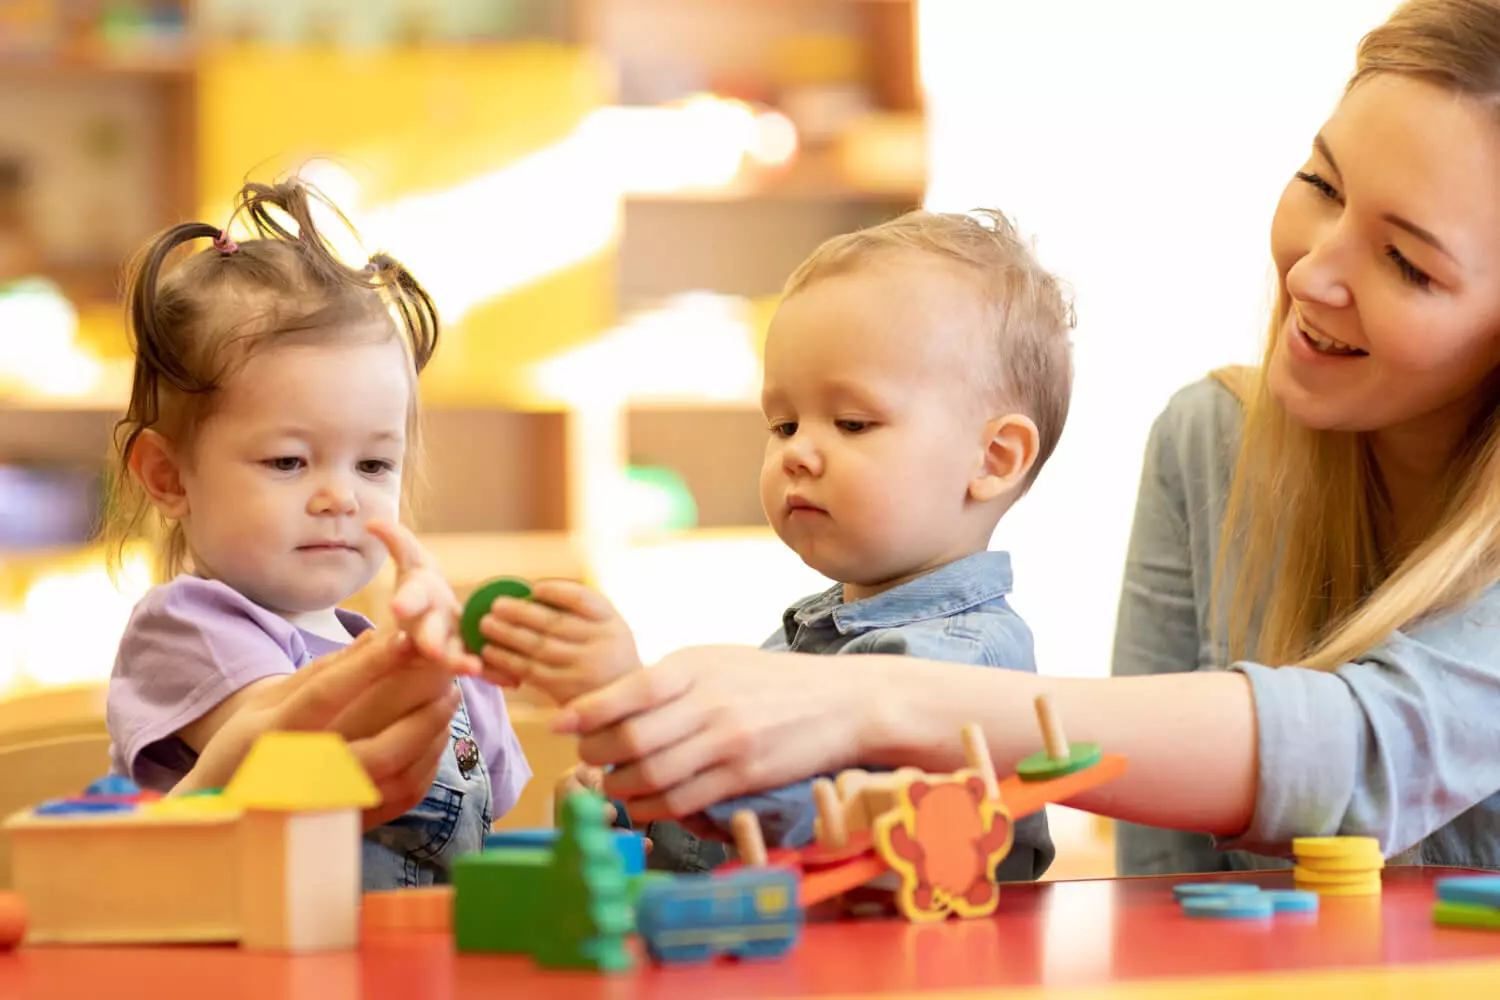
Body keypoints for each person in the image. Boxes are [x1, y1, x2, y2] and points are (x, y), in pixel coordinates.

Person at [528, 0, 1500, 876]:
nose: (1313, 271)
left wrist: (854, 707)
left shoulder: (936, 659)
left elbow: (1368, 754)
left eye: (1407, 262)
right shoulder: (1209, 444)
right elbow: (1161, 873)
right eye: (1320, 183)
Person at [475, 208, 1075, 880]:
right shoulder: (806, 637)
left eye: (851, 421)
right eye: (784, 423)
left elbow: (836, 836)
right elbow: (727, 837)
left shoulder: (959, 667)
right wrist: (626, 801)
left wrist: (638, 710)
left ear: (993, 458)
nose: (798, 453)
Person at [101, 179, 530, 888]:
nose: (339, 496)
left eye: (372, 462)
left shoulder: (395, 649)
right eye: (289, 461)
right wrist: (423, 653)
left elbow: (495, 839)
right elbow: (311, 737)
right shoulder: (190, 628)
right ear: (169, 477)